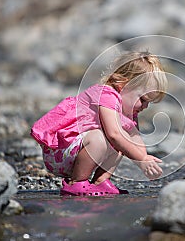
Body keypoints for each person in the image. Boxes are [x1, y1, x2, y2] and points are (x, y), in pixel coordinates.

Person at [30, 51, 167, 196]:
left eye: (149, 103)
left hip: (77, 154)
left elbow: (134, 138)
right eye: (143, 99)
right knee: (103, 137)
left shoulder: (129, 110)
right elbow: (113, 134)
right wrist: (142, 159)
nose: (145, 106)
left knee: (124, 139)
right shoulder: (106, 95)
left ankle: (100, 182)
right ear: (123, 85)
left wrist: (144, 162)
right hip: (60, 153)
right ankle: (76, 183)